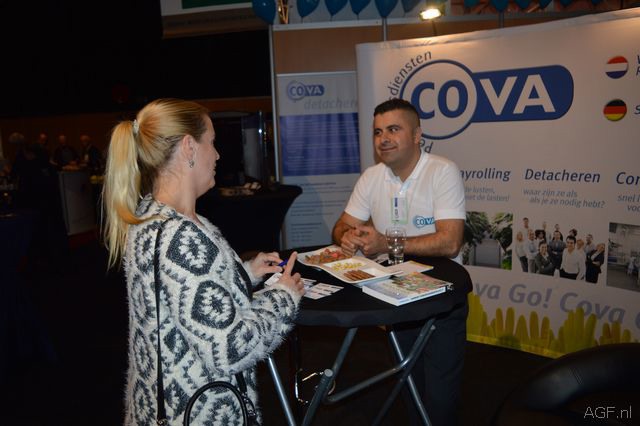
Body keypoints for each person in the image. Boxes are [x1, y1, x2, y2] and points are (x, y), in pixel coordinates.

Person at [101, 98, 304, 425]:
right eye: (211, 142)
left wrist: (244, 273)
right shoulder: (181, 237)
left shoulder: (150, 216)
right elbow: (230, 349)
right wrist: (284, 296)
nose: (218, 155)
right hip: (197, 412)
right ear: (189, 147)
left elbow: (182, 298)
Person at [331, 98, 466, 426]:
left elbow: (450, 242)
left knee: (440, 394)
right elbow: (340, 226)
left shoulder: (441, 170)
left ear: (417, 135)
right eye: (378, 132)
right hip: (393, 294)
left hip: (440, 295)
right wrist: (348, 237)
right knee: (408, 383)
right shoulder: (372, 176)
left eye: (393, 129)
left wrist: (386, 243)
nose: (384, 139)